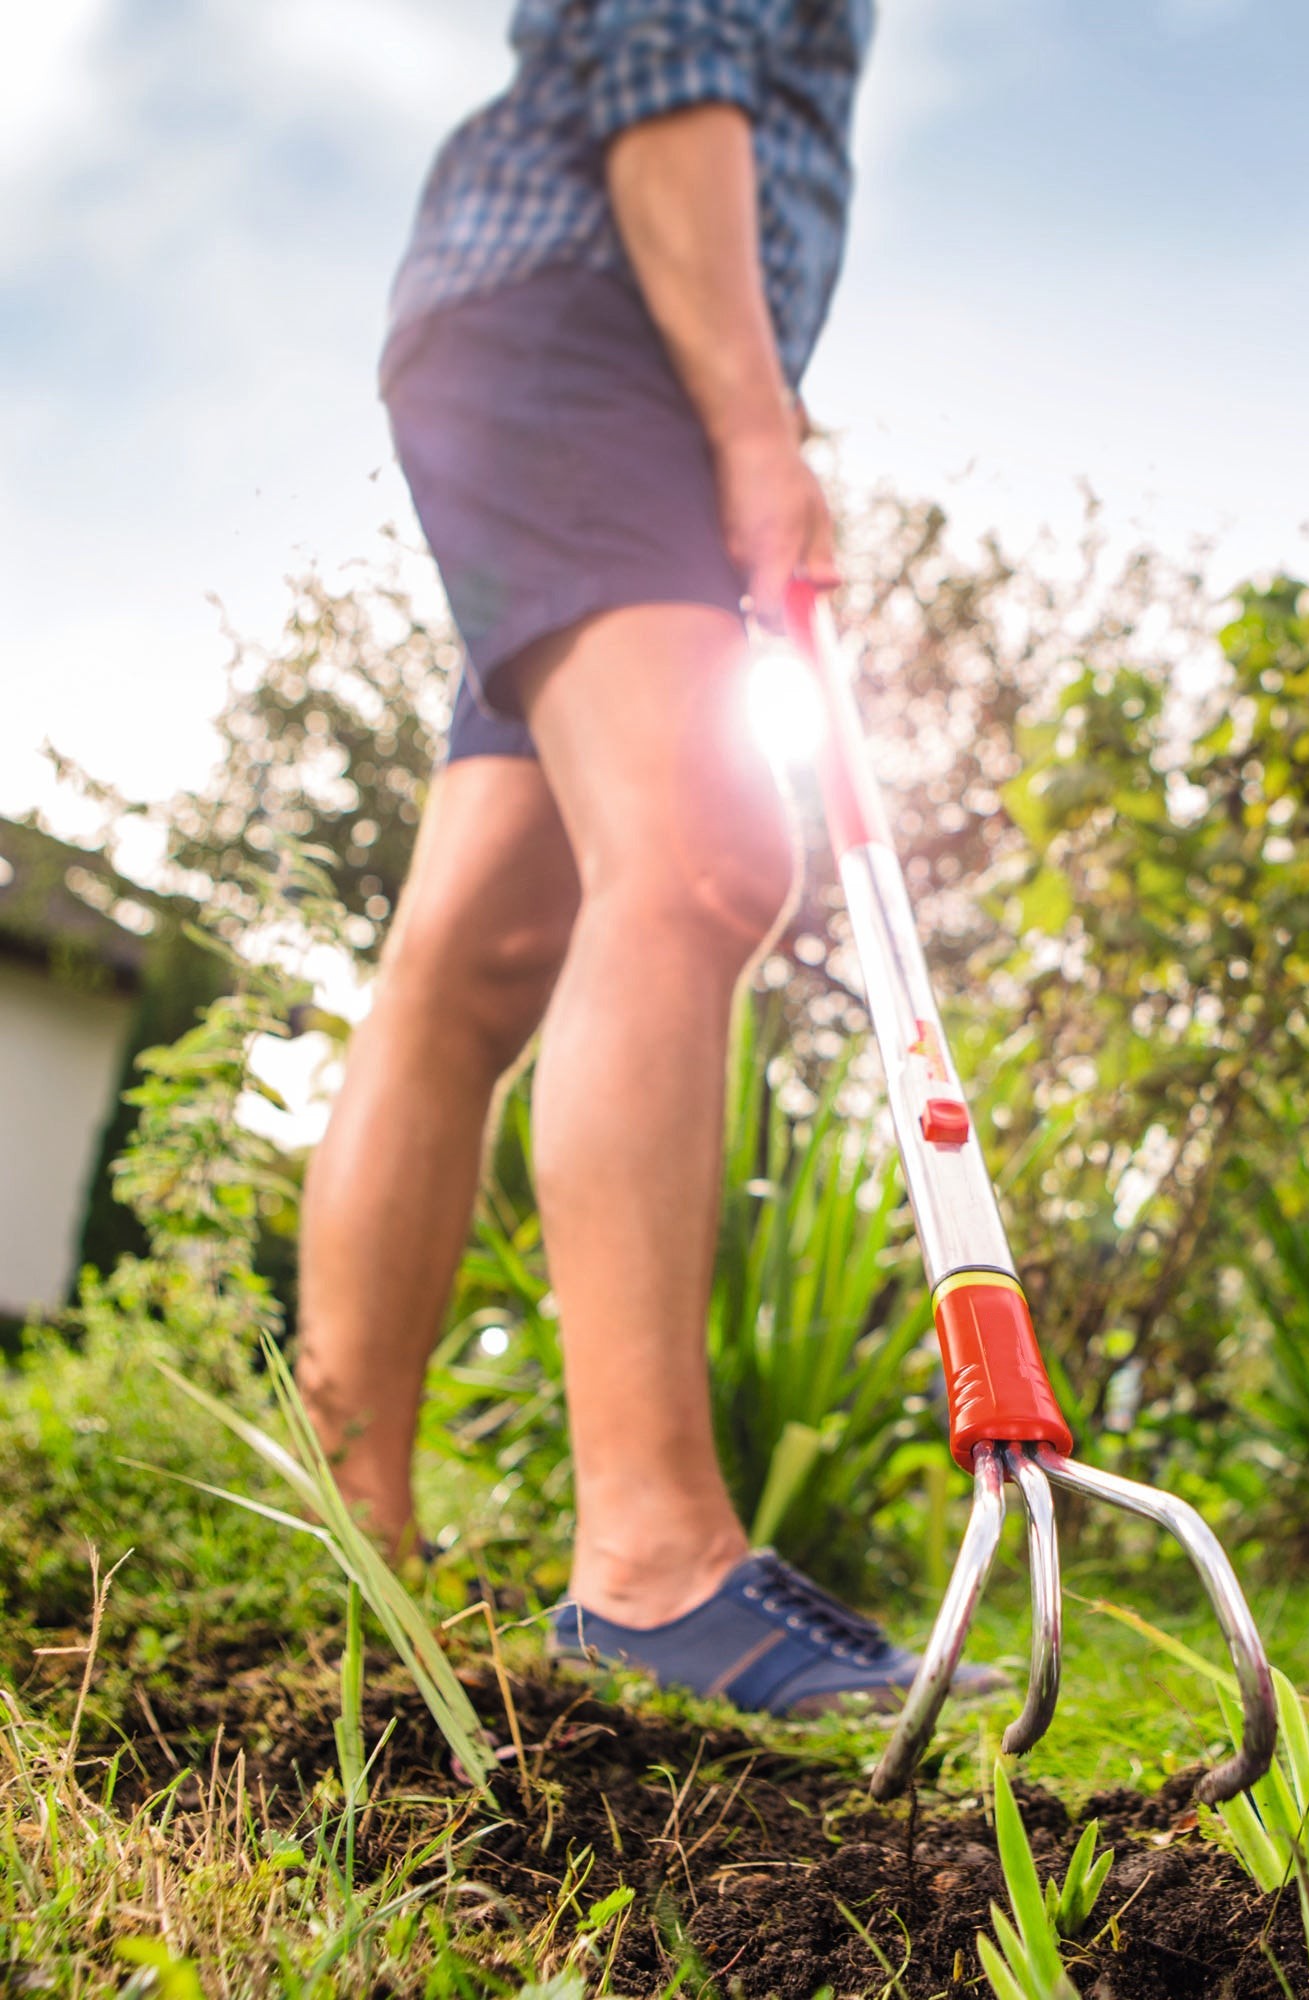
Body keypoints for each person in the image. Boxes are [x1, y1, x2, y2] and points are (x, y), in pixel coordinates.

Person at [298, 0, 995, 1719]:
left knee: (480, 950)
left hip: (550, 333)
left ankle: (340, 1529)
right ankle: (651, 1569)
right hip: (584, 323)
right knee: (693, 855)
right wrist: (756, 430)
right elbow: (664, 52)